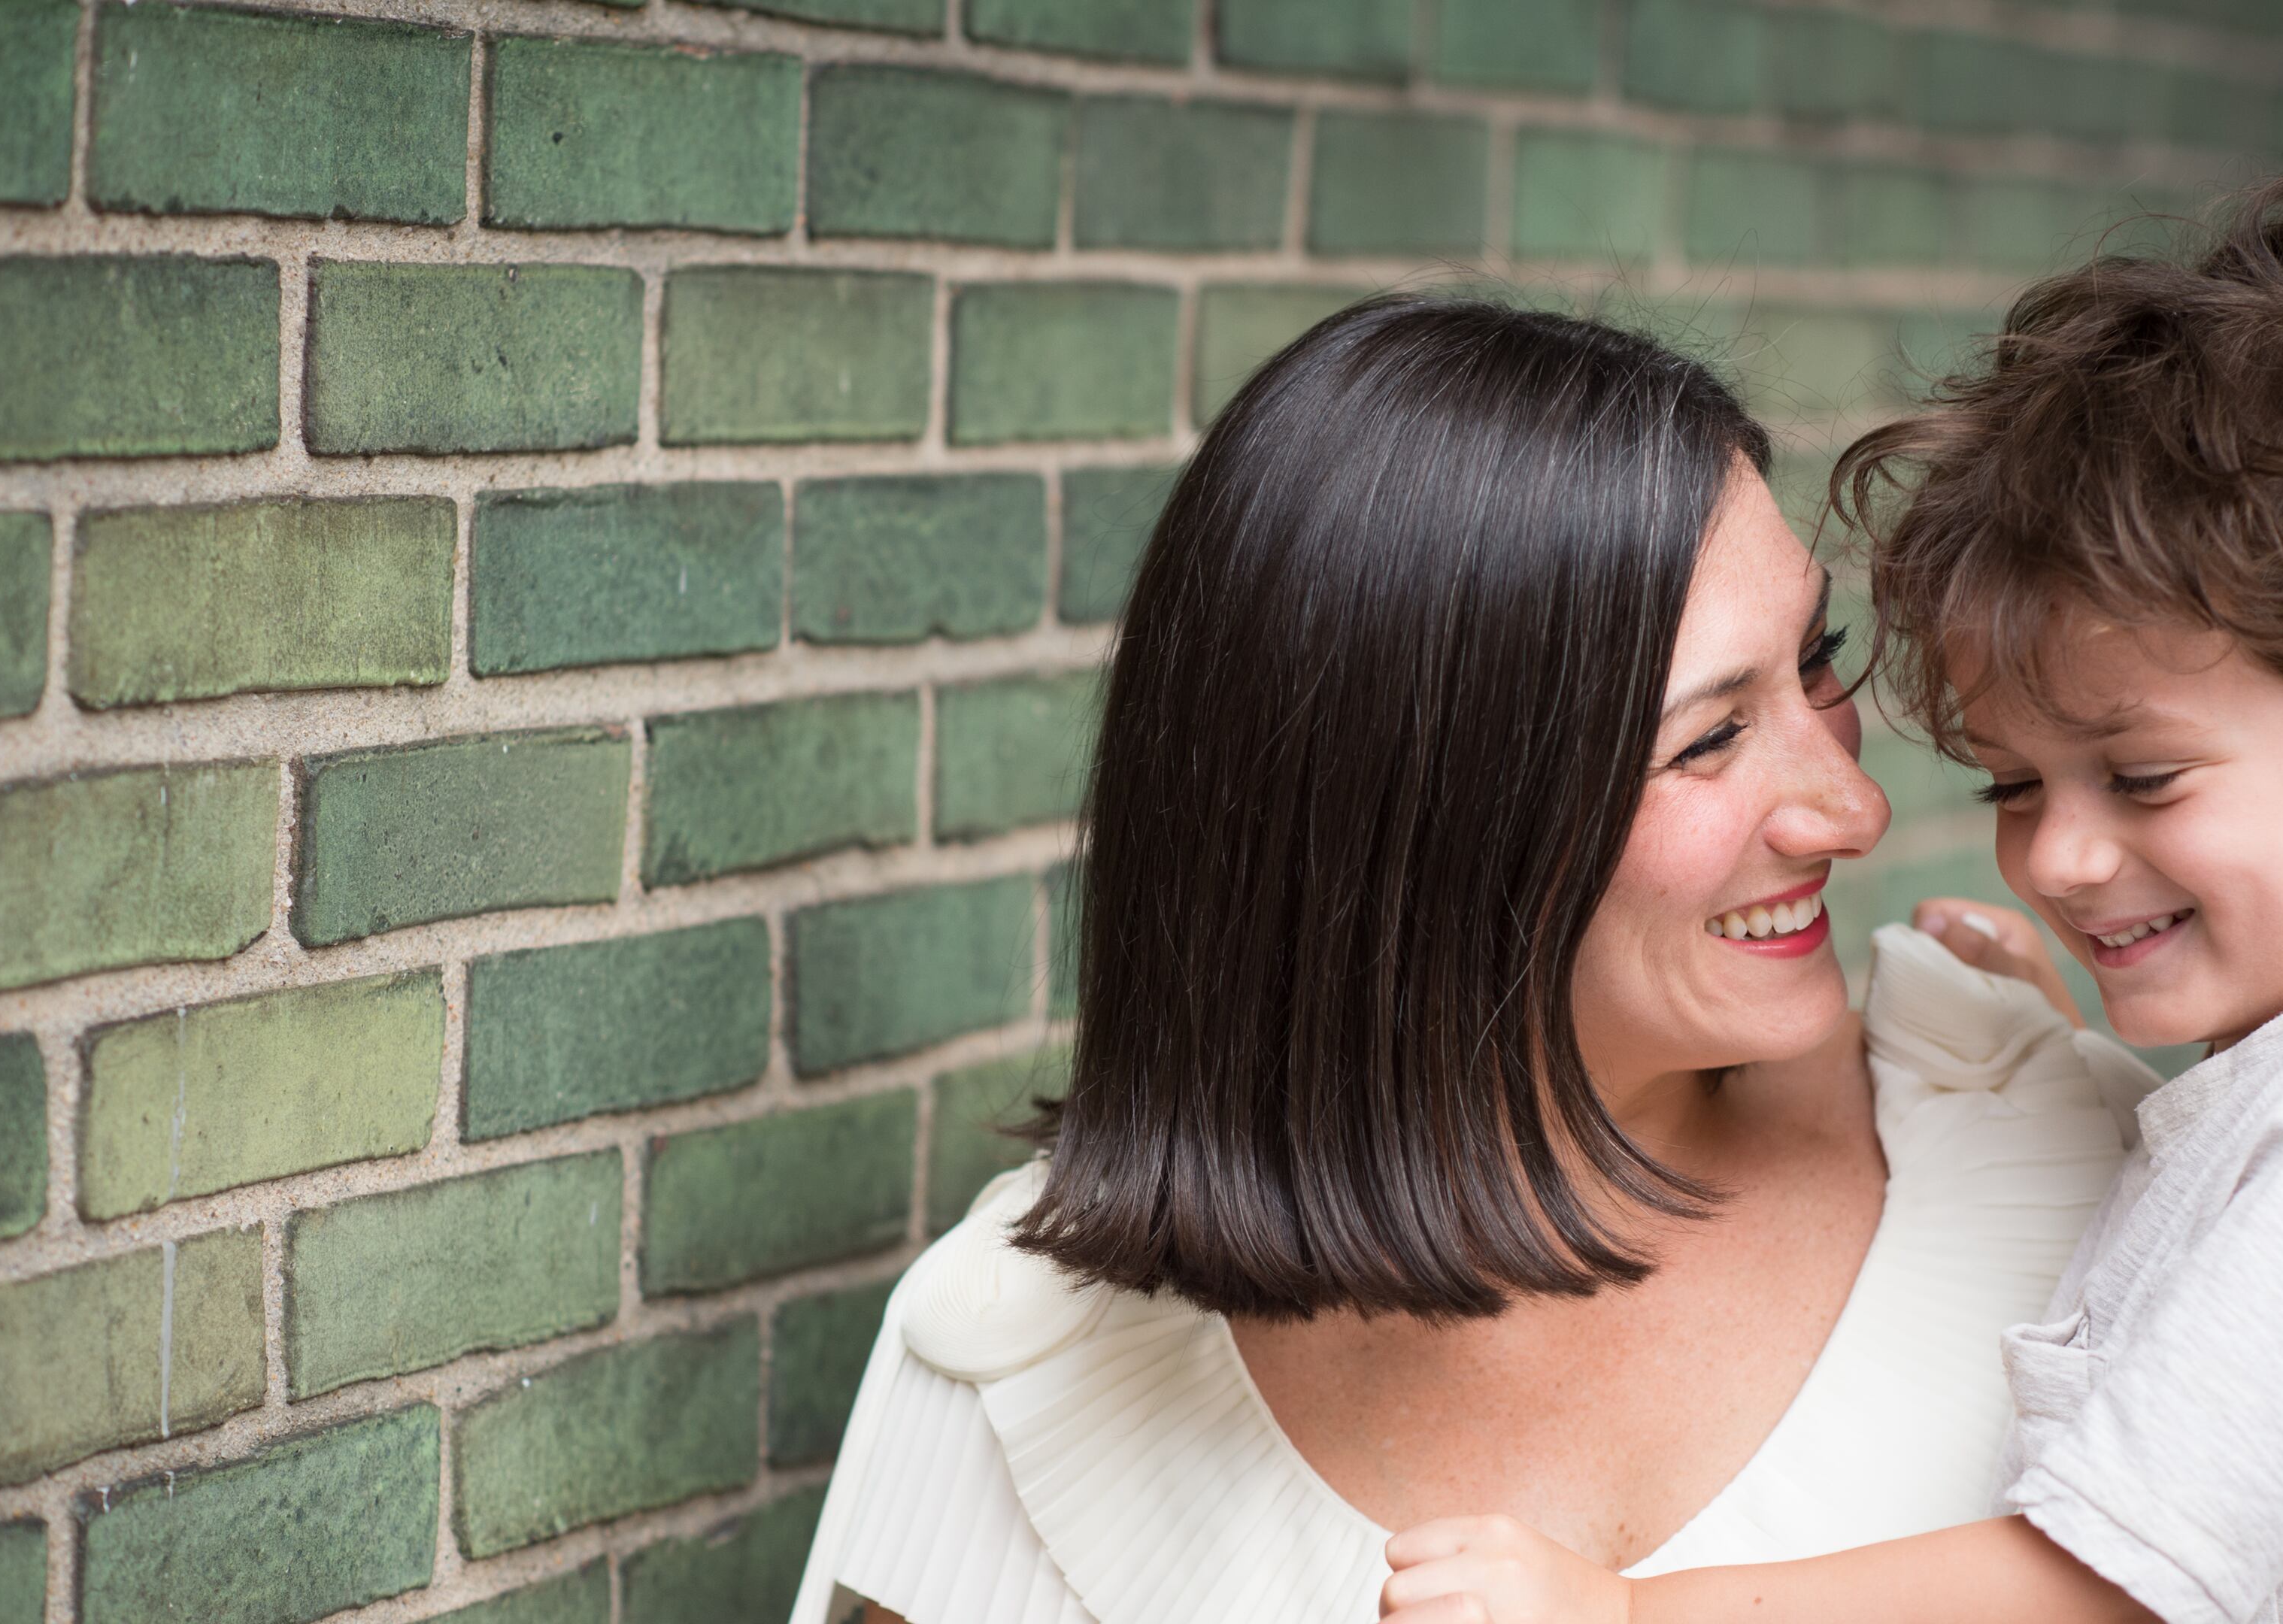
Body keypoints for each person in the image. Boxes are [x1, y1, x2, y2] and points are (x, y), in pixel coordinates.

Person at [1379, 177, 2283, 1623]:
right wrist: (2064, 1047)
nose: (2058, 860)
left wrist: (1627, 1613)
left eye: (2146, 777)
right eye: (2014, 787)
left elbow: (2101, 1587)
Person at [787, 295, 2156, 1624]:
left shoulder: (2051, 1164)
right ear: (1415, 838)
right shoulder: (1025, 1359)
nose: (1855, 813)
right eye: (1709, 739)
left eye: (1815, 663)